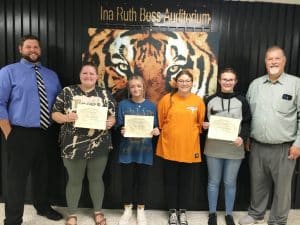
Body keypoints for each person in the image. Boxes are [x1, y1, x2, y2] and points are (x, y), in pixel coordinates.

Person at [0, 34, 63, 225]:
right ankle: (12, 219)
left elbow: (60, 103)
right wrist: (8, 132)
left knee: (43, 174)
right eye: (28, 47)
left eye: (36, 47)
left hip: (47, 133)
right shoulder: (8, 72)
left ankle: (42, 207)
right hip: (20, 133)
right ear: (20, 49)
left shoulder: (52, 75)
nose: (32, 50)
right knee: (16, 180)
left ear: (40, 50)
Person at [238, 46, 300, 225]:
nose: (273, 62)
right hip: (257, 145)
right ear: (265, 62)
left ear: (284, 61)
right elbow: (248, 116)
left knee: (282, 188)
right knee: (257, 183)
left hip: (285, 147)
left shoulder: (296, 84)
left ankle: (278, 220)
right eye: (269, 59)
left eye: (277, 58)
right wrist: (247, 138)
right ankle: (256, 213)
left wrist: (298, 143)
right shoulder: (255, 85)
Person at [51, 63, 116, 225]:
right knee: (74, 180)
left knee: (96, 179)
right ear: (80, 75)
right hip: (72, 146)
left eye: (91, 74)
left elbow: (113, 116)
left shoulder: (105, 94)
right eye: (85, 73)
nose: (88, 76)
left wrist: (110, 122)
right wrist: (66, 118)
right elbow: (54, 114)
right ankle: (72, 214)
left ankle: (98, 212)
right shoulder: (67, 92)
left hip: (99, 144)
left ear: (97, 76)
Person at [156, 69, 206, 225]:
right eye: (181, 81)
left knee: (186, 183)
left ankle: (182, 211)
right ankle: (172, 212)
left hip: (189, 149)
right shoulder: (166, 99)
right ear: (176, 83)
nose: (184, 83)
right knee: (170, 182)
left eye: (187, 81)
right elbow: (161, 121)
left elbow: (200, 124)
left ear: (192, 83)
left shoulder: (197, 101)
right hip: (169, 148)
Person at [202, 68, 251, 225]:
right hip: (213, 147)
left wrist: (242, 137)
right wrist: (204, 125)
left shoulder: (242, 101)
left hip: (234, 148)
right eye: (224, 79)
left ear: (235, 82)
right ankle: (212, 213)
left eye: (230, 79)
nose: (227, 82)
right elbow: (202, 121)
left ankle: (229, 214)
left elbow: (247, 122)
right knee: (213, 182)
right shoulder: (209, 100)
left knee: (230, 183)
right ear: (219, 80)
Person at [117, 75, 160, 225]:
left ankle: (141, 210)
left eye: (139, 86)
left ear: (144, 88)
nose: (136, 89)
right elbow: (118, 126)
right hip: (127, 150)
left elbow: (156, 126)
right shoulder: (122, 104)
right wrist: (121, 130)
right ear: (129, 89)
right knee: (127, 182)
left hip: (145, 150)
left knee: (143, 181)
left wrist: (156, 131)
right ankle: (127, 209)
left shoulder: (152, 106)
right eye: (133, 86)